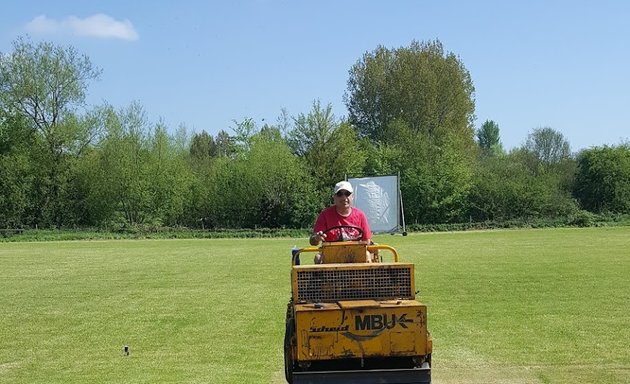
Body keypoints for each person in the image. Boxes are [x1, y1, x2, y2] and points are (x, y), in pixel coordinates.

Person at [310, 180, 372, 246]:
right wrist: (316, 238)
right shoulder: (325, 215)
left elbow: (367, 241)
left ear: (352, 196)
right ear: (334, 197)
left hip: (355, 253)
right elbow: (312, 241)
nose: (344, 198)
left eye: (347, 194)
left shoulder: (360, 215)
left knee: (367, 255)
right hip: (331, 254)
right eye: (340, 194)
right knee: (318, 257)